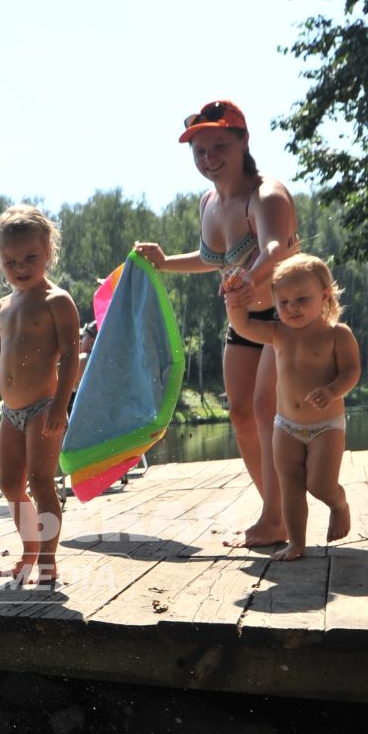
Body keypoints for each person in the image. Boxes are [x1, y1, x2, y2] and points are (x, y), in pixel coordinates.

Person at [133, 99, 300, 548]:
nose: (209, 159)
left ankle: (276, 514)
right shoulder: (208, 201)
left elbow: (275, 249)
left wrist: (249, 277)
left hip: (287, 317)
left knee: (267, 410)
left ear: (244, 141)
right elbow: (214, 259)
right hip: (243, 318)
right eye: (200, 152)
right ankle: (278, 514)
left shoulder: (265, 194)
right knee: (241, 413)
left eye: (219, 147)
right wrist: (165, 262)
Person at [0, 205, 83, 588]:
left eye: (30, 257)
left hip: (45, 408)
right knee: (11, 485)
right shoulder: (1, 307)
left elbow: (70, 357)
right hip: (9, 411)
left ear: (49, 252)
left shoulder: (56, 301)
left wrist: (61, 405)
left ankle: (48, 561)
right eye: (10, 261)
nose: (21, 267)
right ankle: (29, 553)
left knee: (42, 483)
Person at [223, 254, 359, 560]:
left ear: (324, 296)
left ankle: (338, 503)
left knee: (320, 484)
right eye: (282, 302)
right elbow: (243, 326)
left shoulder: (338, 335)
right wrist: (234, 302)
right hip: (286, 426)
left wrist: (333, 390)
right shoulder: (277, 333)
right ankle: (296, 543)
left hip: (326, 426)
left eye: (301, 299)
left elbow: (352, 371)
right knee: (291, 486)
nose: (291, 307)